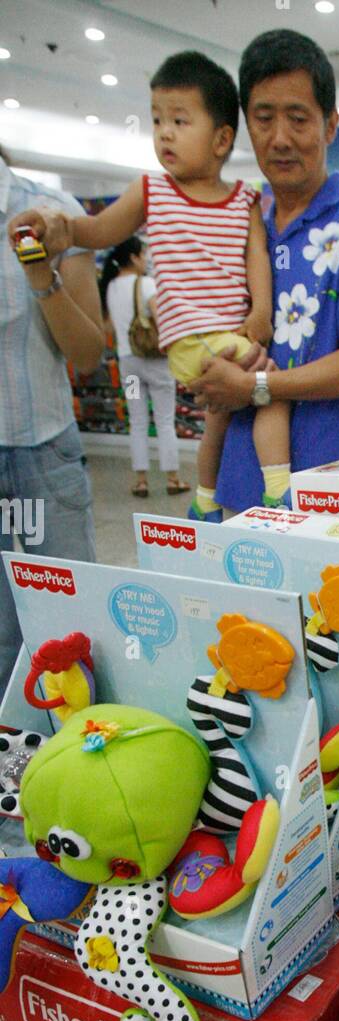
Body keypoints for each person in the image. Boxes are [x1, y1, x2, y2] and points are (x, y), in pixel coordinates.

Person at [9, 50, 290, 525]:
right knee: (271, 389)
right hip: (192, 338)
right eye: (157, 119)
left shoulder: (245, 199)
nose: (164, 132)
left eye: (180, 120)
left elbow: (255, 255)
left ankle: (204, 500)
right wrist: (60, 226)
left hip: (230, 333)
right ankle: (281, 492)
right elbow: (97, 231)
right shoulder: (152, 192)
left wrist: (260, 309)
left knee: (220, 416)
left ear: (222, 139)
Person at [188, 29, 339, 515]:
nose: (280, 138)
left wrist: (257, 387)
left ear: (330, 125)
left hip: (327, 496)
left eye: (298, 118)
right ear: (246, 123)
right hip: (237, 491)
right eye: (263, 119)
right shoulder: (242, 233)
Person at [0, 147, 102, 701]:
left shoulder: (50, 213)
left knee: (71, 623)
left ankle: (81, 756)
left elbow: (88, 354)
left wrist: (41, 273)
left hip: (45, 449)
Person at [100, 235, 189, 499]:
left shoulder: (111, 287)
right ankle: (172, 478)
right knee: (164, 420)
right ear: (134, 257)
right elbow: (161, 320)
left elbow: (108, 327)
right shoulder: (148, 284)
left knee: (137, 421)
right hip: (155, 363)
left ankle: (141, 481)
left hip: (128, 363)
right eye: (144, 254)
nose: (147, 259)